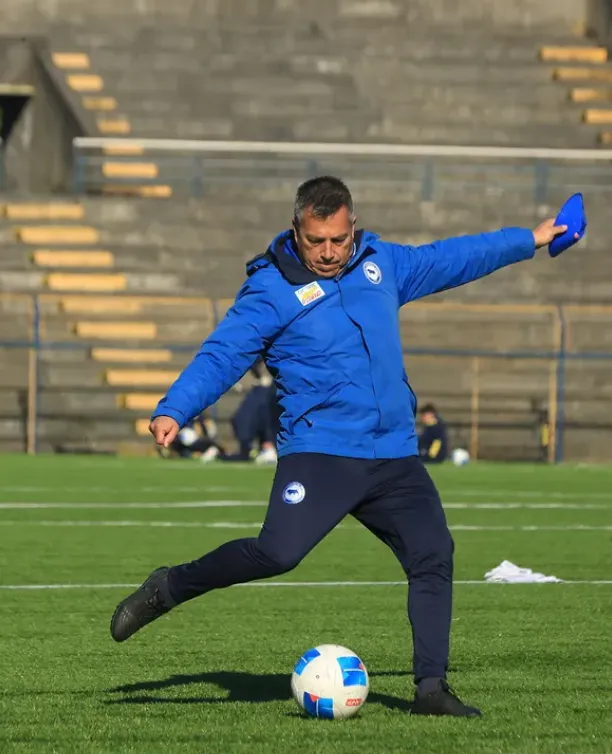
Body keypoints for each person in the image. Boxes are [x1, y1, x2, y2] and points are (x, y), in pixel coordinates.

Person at [110, 175, 570, 716]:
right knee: (277, 553)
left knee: (433, 555)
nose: (329, 252)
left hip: (394, 456)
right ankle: (171, 586)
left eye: (338, 239)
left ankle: (430, 689)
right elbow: (222, 355)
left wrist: (529, 240)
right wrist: (175, 408)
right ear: (296, 231)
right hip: (321, 453)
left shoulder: (382, 265)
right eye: (316, 241)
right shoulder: (270, 289)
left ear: (353, 226)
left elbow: (451, 258)